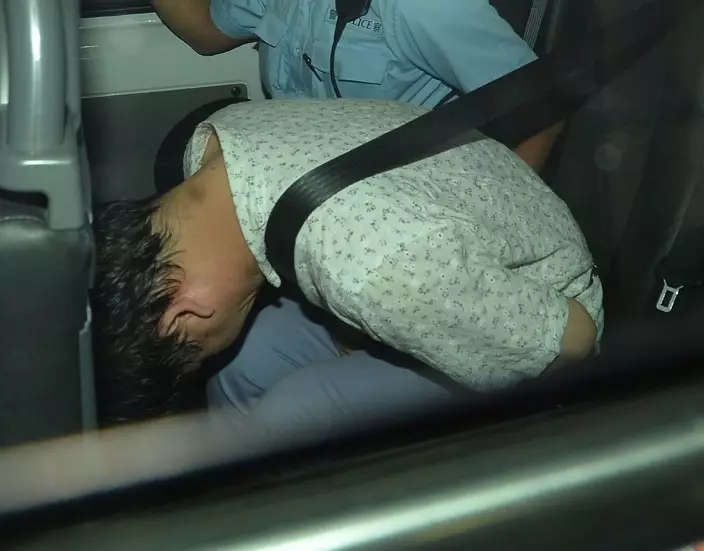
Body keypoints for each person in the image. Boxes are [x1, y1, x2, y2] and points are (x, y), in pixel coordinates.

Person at [91, 99, 603, 446]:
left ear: (186, 312)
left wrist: (409, 320)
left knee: (295, 415)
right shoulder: (210, 145)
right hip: (437, 250)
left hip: (541, 309)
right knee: (240, 366)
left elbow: (574, 341)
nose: (205, 352)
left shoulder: (380, 270)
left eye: (194, 350)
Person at [151, 0, 562, 172]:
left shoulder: (426, 6)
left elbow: (542, 106)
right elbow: (206, 33)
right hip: (308, 153)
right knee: (184, 155)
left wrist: (483, 223)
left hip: (401, 178)